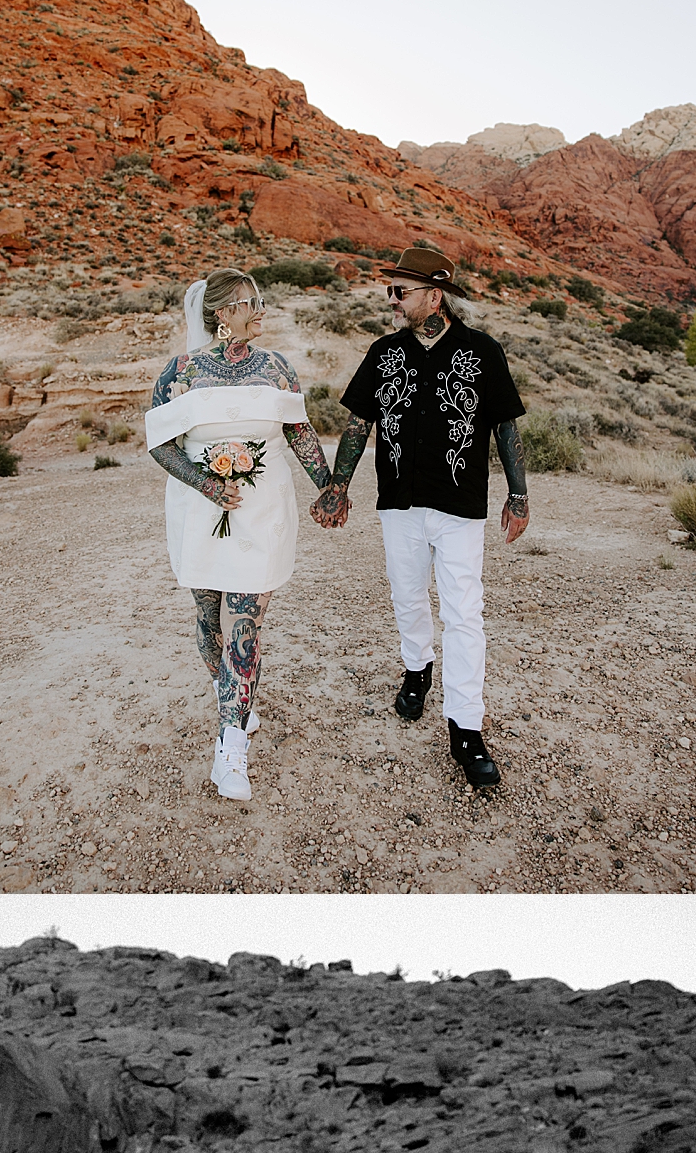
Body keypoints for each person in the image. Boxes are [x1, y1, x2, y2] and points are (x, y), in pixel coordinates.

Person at [332, 245, 529, 789]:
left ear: (434, 296)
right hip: (399, 501)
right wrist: (337, 487)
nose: (392, 300)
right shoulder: (383, 352)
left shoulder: (483, 352)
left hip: (460, 507)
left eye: (401, 291)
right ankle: (417, 669)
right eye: (390, 290)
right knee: (407, 595)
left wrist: (518, 495)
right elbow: (358, 423)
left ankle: (466, 728)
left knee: (464, 613)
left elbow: (506, 427)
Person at [146, 268, 346, 801]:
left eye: (260, 300)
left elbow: (299, 432)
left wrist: (328, 487)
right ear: (221, 314)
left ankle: (230, 750)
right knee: (209, 618)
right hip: (200, 511)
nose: (261, 310)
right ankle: (232, 694)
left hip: (263, 513)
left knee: (244, 626)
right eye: (249, 302)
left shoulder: (278, 369)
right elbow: (160, 443)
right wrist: (206, 483)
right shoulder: (181, 373)